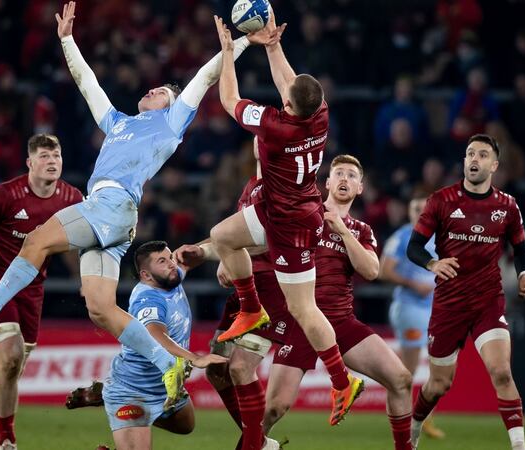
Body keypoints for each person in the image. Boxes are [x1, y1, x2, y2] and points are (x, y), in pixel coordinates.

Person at [0, 0, 280, 407]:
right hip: (112, 216)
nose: (154, 90)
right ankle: (167, 362)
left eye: (163, 92)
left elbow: (205, 79)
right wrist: (67, 40)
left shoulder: (171, 122)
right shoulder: (119, 122)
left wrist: (239, 43)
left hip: (112, 206)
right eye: (154, 88)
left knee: (35, 241)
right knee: (101, 309)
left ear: (173, 106)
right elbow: (89, 85)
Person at [209, 13, 362, 429]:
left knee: (303, 308)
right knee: (223, 235)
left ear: (290, 106)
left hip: (291, 225)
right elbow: (290, 84)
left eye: (286, 97)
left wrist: (228, 53)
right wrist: (272, 45)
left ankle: (342, 380)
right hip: (283, 208)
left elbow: (228, 100)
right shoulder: (319, 115)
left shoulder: (277, 128)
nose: (282, 96)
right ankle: (251, 308)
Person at [262, 155, 413, 450]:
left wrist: (342, 230)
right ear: (327, 183)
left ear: (360, 188)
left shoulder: (361, 231)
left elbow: (371, 271)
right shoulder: (305, 215)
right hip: (301, 322)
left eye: (352, 175)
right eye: (339, 173)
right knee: (273, 409)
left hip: (341, 322)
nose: (344, 179)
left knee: (401, 380)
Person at [0, 134, 83, 450]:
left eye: (57, 155)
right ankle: (7, 438)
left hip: (32, 290)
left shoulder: (72, 198)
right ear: (30, 163)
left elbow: (79, 243)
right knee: (11, 358)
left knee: (9, 369)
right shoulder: (5, 195)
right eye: (45, 156)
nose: (52, 162)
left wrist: (85, 280)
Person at [406, 134, 525, 450]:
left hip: (487, 302)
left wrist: (523, 275)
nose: (474, 159)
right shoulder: (441, 200)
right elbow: (414, 247)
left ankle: (519, 447)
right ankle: (414, 426)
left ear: (494, 165)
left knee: (502, 373)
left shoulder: (507, 206)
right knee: (439, 385)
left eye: (482, 154)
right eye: (469, 154)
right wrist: (432, 264)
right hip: (449, 304)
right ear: (464, 161)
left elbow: (521, 249)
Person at [174, 141, 292, 450]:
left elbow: (269, 241)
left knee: (240, 368)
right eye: (259, 137)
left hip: (272, 292)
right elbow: (230, 238)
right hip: (245, 289)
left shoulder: (285, 190)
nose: (262, 140)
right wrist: (201, 250)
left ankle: (253, 445)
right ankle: (262, 443)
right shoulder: (251, 188)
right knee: (216, 369)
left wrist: (230, 256)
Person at [69, 241, 228, 450]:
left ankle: (104, 398)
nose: (171, 264)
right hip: (133, 390)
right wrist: (195, 358)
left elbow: (195, 256)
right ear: (146, 275)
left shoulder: (170, 277)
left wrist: (201, 248)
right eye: (162, 261)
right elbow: (154, 334)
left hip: (165, 388)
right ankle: (115, 402)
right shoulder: (148, 299)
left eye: (170, 257)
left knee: (186, 425)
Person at [380, 191, 445, 440]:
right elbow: (384, 270)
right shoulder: (403, 236)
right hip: (410, 308)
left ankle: (424, 418)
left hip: (434, 309)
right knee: (407, 370)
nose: (418, 213)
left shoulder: (440, 236)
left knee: (438, 368)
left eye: (422, 209)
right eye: (414, 209)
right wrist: (412, 284)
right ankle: (405, 420)